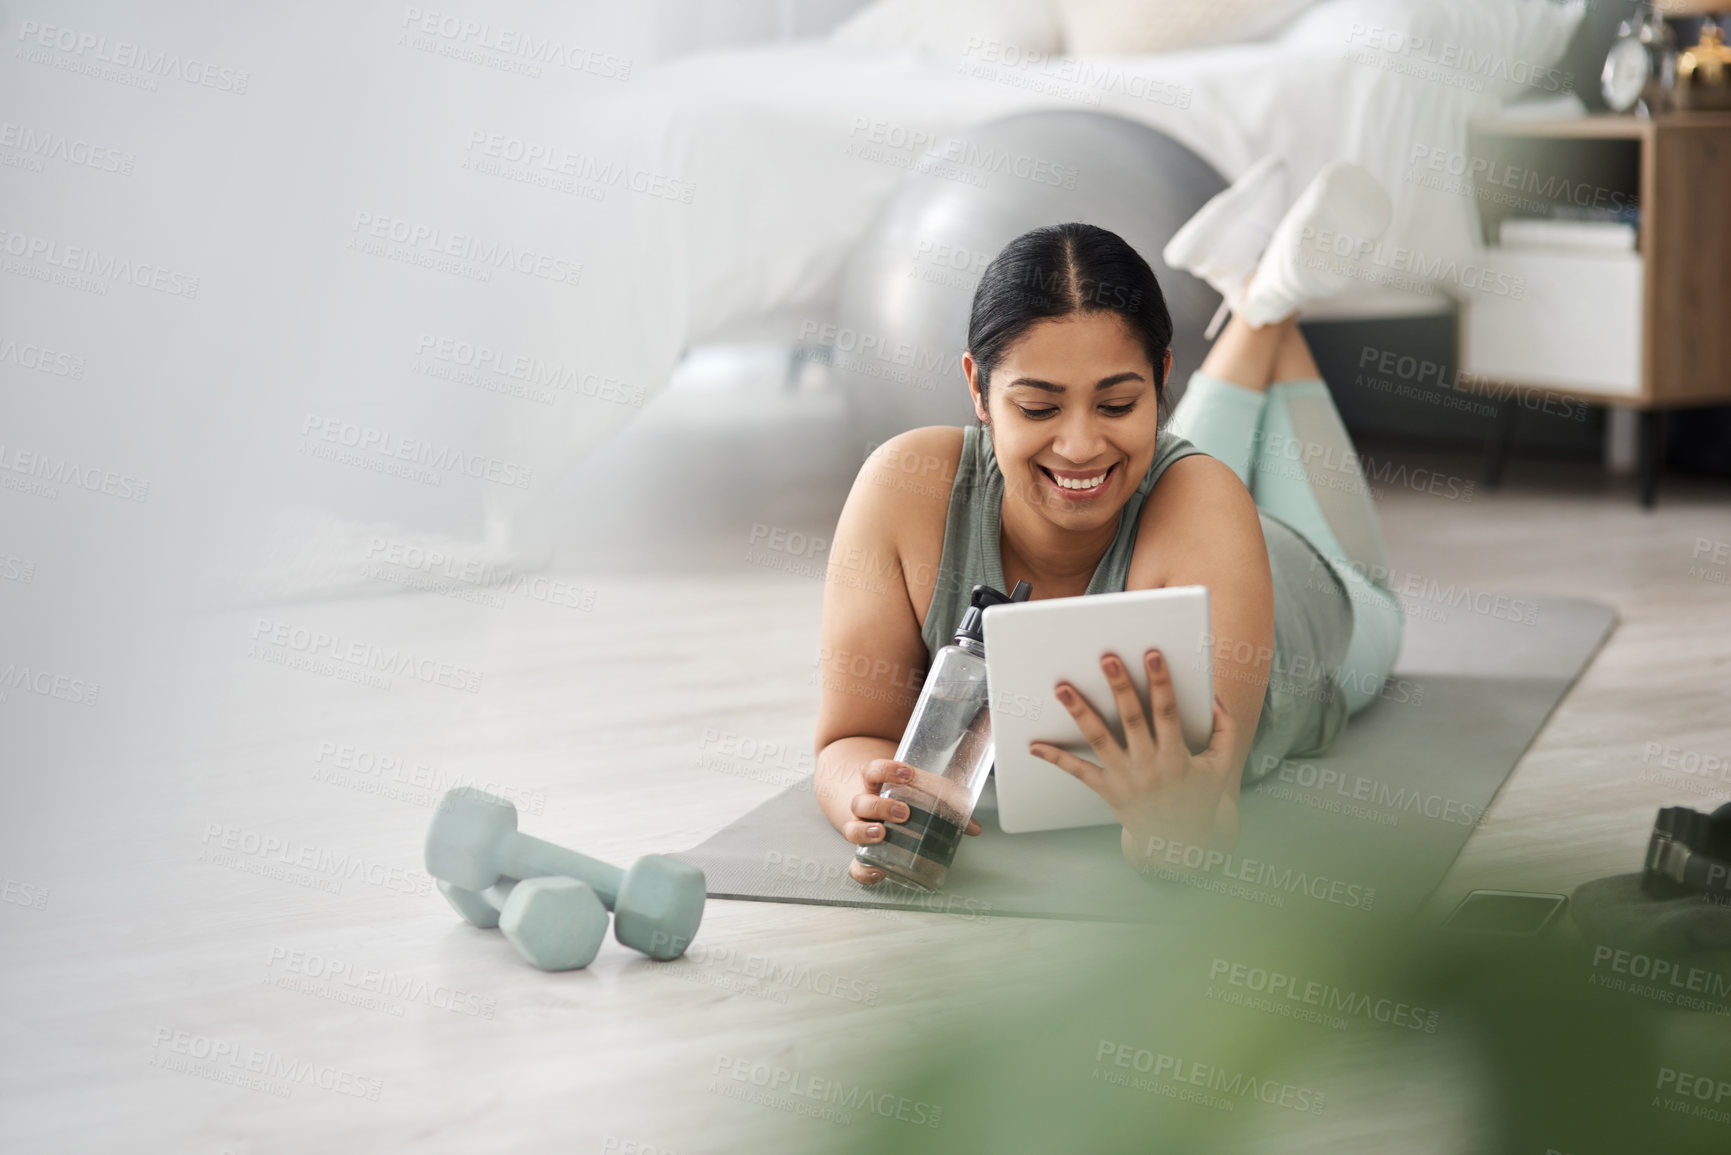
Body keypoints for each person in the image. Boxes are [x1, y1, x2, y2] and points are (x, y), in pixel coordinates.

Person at [812, 159, 1407, 885]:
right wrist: (863, 796)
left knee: (1352, 587)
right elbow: (848, 738)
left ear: (1162, 382)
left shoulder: (1203, 507)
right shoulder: (903, 487)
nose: (1078, 441)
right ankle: (1263, 295)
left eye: (1119, 403)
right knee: (1123, 472)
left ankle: (1265, 300)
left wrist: (1170, 824)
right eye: (1037, 407)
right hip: (1175, 516)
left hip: (1309, 601)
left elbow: (1205, 813)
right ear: (975, 385)